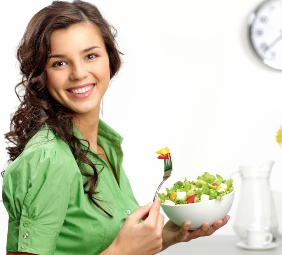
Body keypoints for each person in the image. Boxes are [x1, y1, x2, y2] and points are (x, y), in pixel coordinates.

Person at [1, 1, 230, 254]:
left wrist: (166, 236)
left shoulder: (103, 145)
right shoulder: (50, 158)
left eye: (90, 56)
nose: (78, 73)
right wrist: (122, 251)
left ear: (109, 59)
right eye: (59, 63)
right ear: (41, 74)